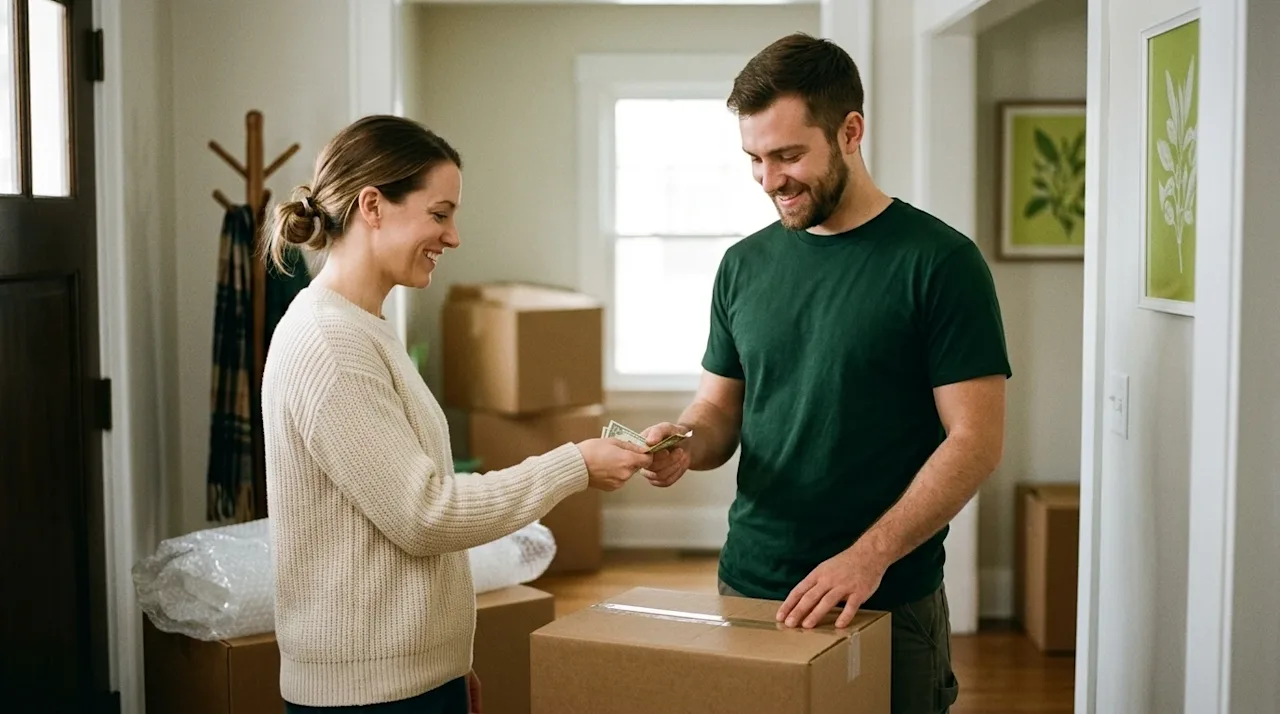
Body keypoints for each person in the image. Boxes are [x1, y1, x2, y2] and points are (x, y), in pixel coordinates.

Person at [641, 33, 1011, 714]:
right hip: (751, 584)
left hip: (883, 599)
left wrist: (869, 557)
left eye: (787, 155)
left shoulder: (939, 263)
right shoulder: (744, 266)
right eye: (754, 159)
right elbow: (718, 410)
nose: (769, 179)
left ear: (850, 131)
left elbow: (975, 442)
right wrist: (684, 442)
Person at [260, 115, 654, 714]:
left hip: (409, 682)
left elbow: (394, 519)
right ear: (373, 205)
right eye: (439, 214)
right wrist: (572, 465)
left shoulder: (365, 330)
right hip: (369, 699)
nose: (453, 237)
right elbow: (425, 513)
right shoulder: (328, 344)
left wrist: (446, 664)